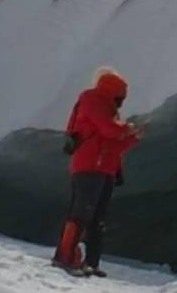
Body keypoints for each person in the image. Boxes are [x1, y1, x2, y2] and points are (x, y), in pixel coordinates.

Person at [53, 67, 142, 277]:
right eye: (120, 96)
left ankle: (91, 263)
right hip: (89, 165)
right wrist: (127, 129)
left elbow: (113, 145)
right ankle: (65, 258)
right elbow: (109, 129)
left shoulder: (109, 109)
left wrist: (132, 138)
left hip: (105, 168)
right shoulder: (93, 101)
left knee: (97, 218)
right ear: (113, 91)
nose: (121, 101)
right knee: (81, 213)